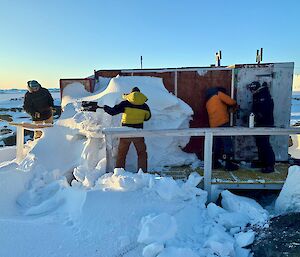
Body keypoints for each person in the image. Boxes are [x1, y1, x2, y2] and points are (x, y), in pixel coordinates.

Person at [103, 87, 151, 172]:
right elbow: (147, 117)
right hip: (138, 133)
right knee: (142, 153)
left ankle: (119, 172)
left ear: (131, 94)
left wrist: (106, 108)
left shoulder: (125, 103)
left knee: (122, 154)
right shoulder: (145, 106)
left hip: (125, 132)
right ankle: (143, 172)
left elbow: (113, 112)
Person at [205, 87, 239, 171]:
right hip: (223, 123)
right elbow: (231, 101)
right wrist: (234, 106)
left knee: (218, 144)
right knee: (227, 143)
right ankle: (229, 164)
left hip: (214, 125)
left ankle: (214, 163)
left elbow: (218, 108)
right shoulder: (218, 94)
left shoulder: (208, 100)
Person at [248, 81, 275, 173]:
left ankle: (270, 164)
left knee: (265, 143)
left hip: (265, 123)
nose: (251, 92)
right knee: (260, 143)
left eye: (251, 89)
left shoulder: (263, 96)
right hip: (260, 123)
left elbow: (265, 110)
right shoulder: (258, 95)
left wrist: (257, 115)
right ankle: (262, 161)